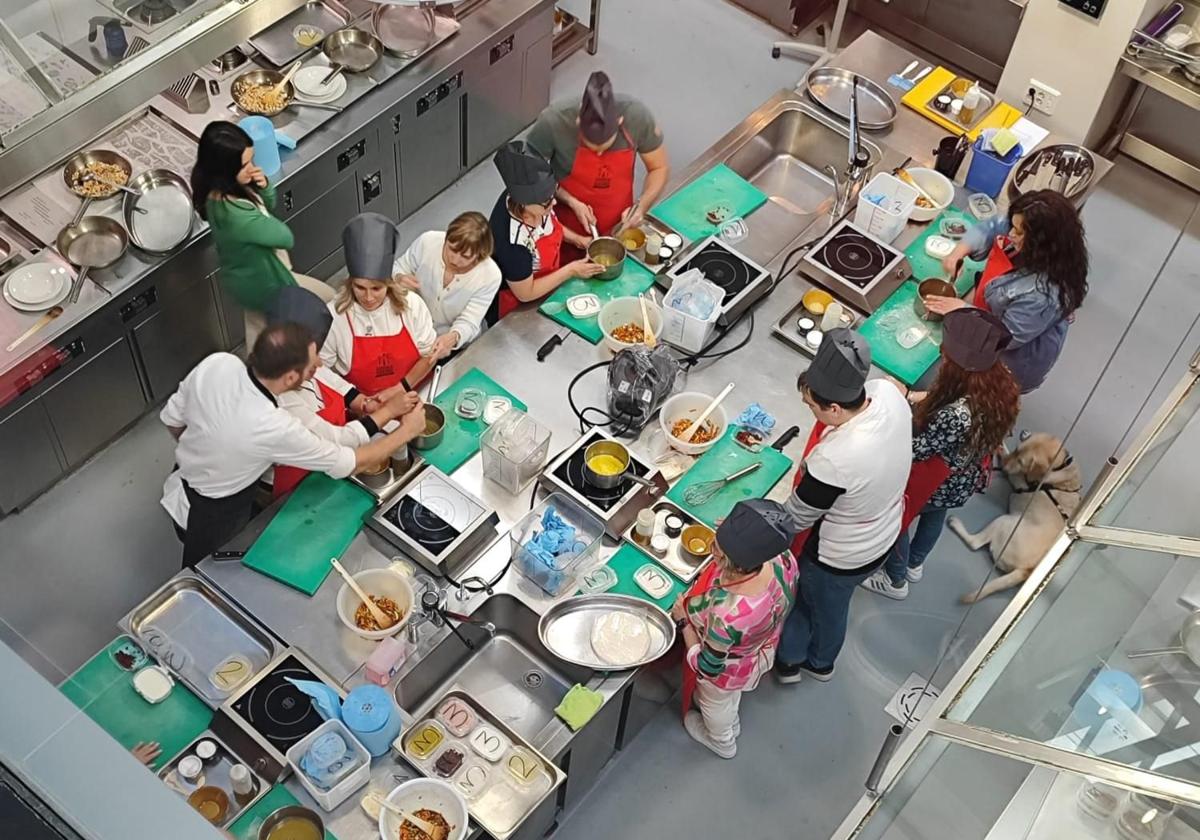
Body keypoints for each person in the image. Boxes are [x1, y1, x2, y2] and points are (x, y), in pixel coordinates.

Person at [160, 323, 426, 567]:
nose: (320, 364)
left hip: (181, 478)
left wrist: (205, 452)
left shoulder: (219, 363)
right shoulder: (272, 425)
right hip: (214, 513)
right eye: (312, 367)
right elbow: (352, 462)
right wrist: (407, 431)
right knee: (209, 576)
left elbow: (173, 421)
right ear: (289, 378)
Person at [775, 330, 912, 684]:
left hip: (843, 555)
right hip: (886, 528)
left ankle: (810, 663)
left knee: (818, 602)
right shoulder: (886, 394)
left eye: (811, 406)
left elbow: (798, 515)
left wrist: (758, 521)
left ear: (834, 408)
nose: (810, 411)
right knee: (829, 601)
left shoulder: (838, 459)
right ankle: (805, 656)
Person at [861, 310, 1021, 600]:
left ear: (958, 366)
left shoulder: (957, 416)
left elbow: (916, 450)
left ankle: (896, 580)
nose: (942, 356)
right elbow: (945, 396)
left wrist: (891, 407)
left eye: (946, 354)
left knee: (896, 522)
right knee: (934, 517)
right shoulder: (1001, 383)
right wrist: (909, 395)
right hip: (963, 478)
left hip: (935, 481)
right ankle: (915, 563)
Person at [924, 189, 1089, 393]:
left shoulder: (1043, 295)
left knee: (977, 394)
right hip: (992, 314)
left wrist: (963, 309)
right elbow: (993, 226)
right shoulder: (1029, 228)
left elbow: (1004, 338)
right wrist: (959, 252)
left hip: (1010, 361)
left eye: (1019, 232)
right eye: (1014, 225)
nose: (1011, 234)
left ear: (1042, 243)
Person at [672, 499, 799, 759]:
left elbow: (707, 666)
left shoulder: (729, 616)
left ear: (734, 564)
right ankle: (731, 721)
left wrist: (683, 620)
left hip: (727, 670)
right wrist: (735, 533)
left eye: (716, 548)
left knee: (714, 701)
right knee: (731, 697)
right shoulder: (781, 559)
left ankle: (721, 740)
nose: (712, 550)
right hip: (761, 648)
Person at [190, 121, 334, 346]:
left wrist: (264, 185)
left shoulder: (218, 191)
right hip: (265, 283)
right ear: (225, 170)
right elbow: (284, 236)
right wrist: (264, 219)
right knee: (327, 302)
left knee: (258, 328)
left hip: (246, 278)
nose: (252, 167)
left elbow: (268, 203)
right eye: (245, 164)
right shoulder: (237, 216)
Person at [270, 287, 420, 497]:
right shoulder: (283, 403)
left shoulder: (302, 368)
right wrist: (391, 416)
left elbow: (336, 385)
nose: (321, 362)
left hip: (332, 471)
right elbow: (336, 440)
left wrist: (366, 404)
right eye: (314, 356)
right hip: (300, 488)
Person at [526, 70, 669, 247]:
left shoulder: (637, 117)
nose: (599, 155)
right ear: (578, 122)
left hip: (619, 229)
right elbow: (529, 177)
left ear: (619, 121)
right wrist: (571, 201)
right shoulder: (553, 122)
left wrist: (640, 207)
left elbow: (658, 168)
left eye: (605, 147)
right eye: (592, 147)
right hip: (563, 229)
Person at [321, 213, 443, 396]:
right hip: (362, 407)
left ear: (389, 283)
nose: (368, 297)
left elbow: (429, 355)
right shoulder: (335, 315)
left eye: (377, 288)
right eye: (360, 288)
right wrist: (355, 400)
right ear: (350, 283)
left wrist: (398, 390)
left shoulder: (411, 305)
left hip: (414, 393)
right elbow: (321, 370)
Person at [486, 141, 604, 324]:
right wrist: (571, 270)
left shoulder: (531, 201)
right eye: (547, 203)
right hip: (517, 307)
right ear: (524, 203)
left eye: (552, 197)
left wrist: (578, 240)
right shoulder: (514, 244)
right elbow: (526, 293)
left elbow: (548, 226)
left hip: (546, 284)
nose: (554, 204)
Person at [393, 211, 502, 357]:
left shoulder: (489, 276)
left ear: (480, 255)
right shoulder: (428, 242)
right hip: (415, 330)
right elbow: (399, 266)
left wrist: (453, 337)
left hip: (455, 345)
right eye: (451, 248)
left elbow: (469, 321)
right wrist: (399, 277)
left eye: (465, 256)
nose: (455, 260)